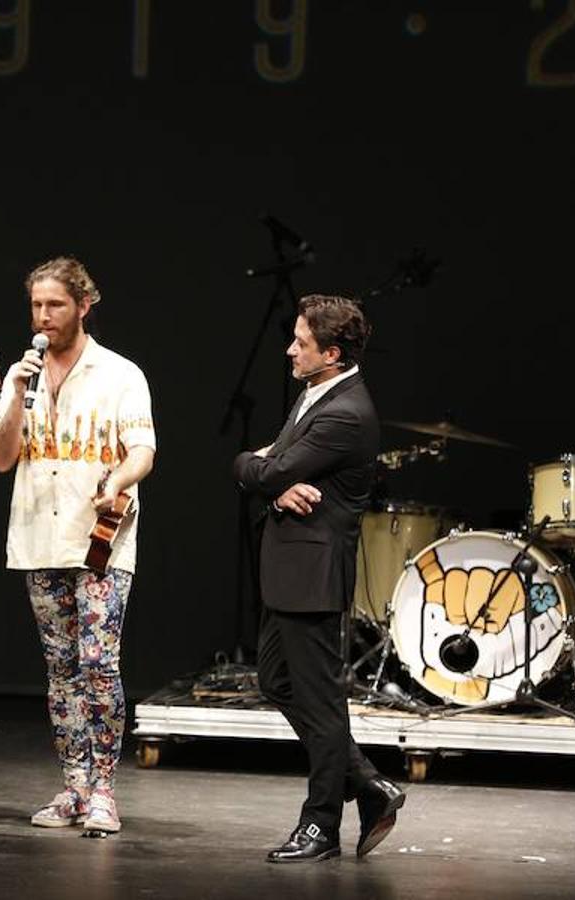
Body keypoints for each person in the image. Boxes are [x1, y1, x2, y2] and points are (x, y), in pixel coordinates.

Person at [231, 294, 405, 862]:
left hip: (312, 574)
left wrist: (265, 473)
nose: (290, 349)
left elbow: (266, 463)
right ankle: (369, 785)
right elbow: (268, 469)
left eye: (301, 343)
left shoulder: (343, 413)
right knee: (276, 684)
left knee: (322, 702)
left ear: (331, 353)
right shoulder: (318, 392)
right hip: (289, 570)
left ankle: (321, 825)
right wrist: (270, 478)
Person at [0, 257, 156, 837]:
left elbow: (142, 450)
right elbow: (2, 456)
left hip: (100, 539)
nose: (43, 316)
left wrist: (120, 480)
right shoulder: (24, 376)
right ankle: (74, 785)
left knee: (98, 664)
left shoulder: (120, 374)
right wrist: (12, 393)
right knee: (60, 670)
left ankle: (105, 787)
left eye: (55, 304)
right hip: (39, 539)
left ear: (84, 304)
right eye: (36, 305)